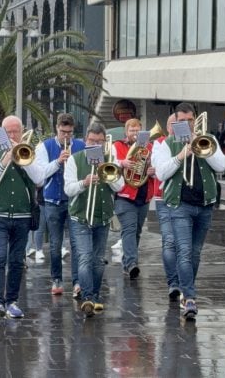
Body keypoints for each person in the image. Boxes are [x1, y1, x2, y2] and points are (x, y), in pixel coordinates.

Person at [153, 103, 225, 320]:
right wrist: (181, 155)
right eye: (182, 121)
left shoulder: (208, 139)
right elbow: (161, 173)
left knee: (195, 253)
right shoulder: (167, 143)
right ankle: (190, 297)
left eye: (190, 120)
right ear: (175, 123)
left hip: (204, 205)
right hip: (179, 205)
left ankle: (187, 290)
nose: (186, 124)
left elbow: (221, 166)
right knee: (184, 251)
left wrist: (199, 146)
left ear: (195, 120)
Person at [0, 115, 44, 319]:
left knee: (17, 260)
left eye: (16, 131)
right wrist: (5, 160)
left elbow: (39, 179)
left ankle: (12, 301)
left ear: (22, 131)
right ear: (1, 133)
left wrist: (23, 158)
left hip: (22, 215)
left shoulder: (28, 152)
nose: (12, 135)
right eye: (8, 132)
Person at [64, 123, 124, 317]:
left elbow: (120, 187)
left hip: (102, 216)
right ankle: (87, 297)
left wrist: (105, 172)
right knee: (84, 257)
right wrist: (84, 182)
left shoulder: (110, 160)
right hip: (80, 216)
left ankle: (95, 296)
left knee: (98, 261)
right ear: (85, 141)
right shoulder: (75, 159)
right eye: (92, 141)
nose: (95, 145)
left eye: (99, 142)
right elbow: (69, 189)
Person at [34, 113, 85, 295]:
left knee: (76, 243)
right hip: (53, 201)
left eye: (69, 132)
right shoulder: (44, 147)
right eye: (63, 132)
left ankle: (78, 281)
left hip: (74, 201)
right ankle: (57, 279)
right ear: (57, 128)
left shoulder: (81, 145)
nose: (66, 136)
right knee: (55, 244)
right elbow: (40, 175)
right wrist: (58, 161)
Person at [112, 118, 156, 279]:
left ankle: (128, 262)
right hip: (125, 195)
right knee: (129, 229)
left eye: (138, 131)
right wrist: (121, 162)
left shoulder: (149, 147)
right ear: (126, 132)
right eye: (132, 131)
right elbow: (110, 163)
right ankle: (131, 263)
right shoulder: (118, 146)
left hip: (143, 195)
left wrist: (152, 170)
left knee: (136, 231)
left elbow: (156, 170)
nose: (135, 134)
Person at [153, 113, 183, 302]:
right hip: (164, 198)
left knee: (185, 245)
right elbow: (159, 169)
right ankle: (173, 282)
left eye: (179, 124)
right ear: (167, 127)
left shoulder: (191, 142)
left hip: (186, 199)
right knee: (170, 241)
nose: (175, 128)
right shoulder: (160, 143)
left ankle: (184, 279)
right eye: (172, 125)